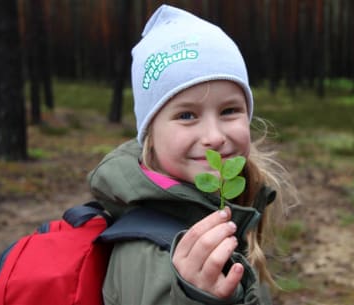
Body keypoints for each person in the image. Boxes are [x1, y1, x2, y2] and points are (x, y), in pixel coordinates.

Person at [87, 4, 295, 305]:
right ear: (151, 137)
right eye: (186, 115)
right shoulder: (148, 252)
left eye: (229, 111)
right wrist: (191, 298)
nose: (214, 137)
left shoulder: (230, 205)